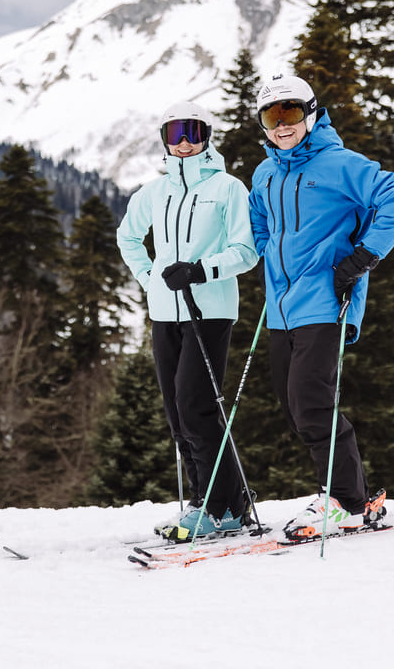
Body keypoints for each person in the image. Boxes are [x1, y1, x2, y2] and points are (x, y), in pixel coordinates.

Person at [248, 73, 394, 539]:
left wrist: (363, 257)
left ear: (312, 113)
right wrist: (267, 252)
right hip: (281, 306)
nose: (282, 125)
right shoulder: (264, 173)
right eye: (271, 116)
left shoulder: (340, 164)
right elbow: (259, 220)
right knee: (291, 404)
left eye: (291, 113)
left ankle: (342, 502)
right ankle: (357, 497)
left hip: (326, 299)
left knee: (311, 402)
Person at [116, 101, 259, 540]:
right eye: (175, 132)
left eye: (192, 132)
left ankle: (213, 509)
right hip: (165, 312)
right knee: (179, 414)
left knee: (196, 407)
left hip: (211, 309)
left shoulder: (228, 188)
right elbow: (127, 237)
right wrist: (150, 278)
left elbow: (247, 251)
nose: (183, 142)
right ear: (163, 137)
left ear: (206, 137)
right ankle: (225, 505)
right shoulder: (153, 193)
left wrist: (201, 270)